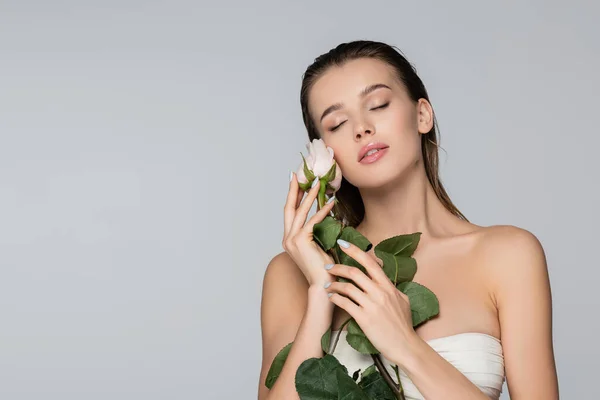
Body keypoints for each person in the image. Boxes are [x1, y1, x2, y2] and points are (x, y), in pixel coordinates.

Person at [257, 40, 559, 400]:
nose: (361, 128)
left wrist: (404, 345)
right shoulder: (289, 276)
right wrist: (321, 293)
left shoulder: (509, 256)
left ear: (422, 116)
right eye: (337, 124)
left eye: (379, 105)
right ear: (325, 153)